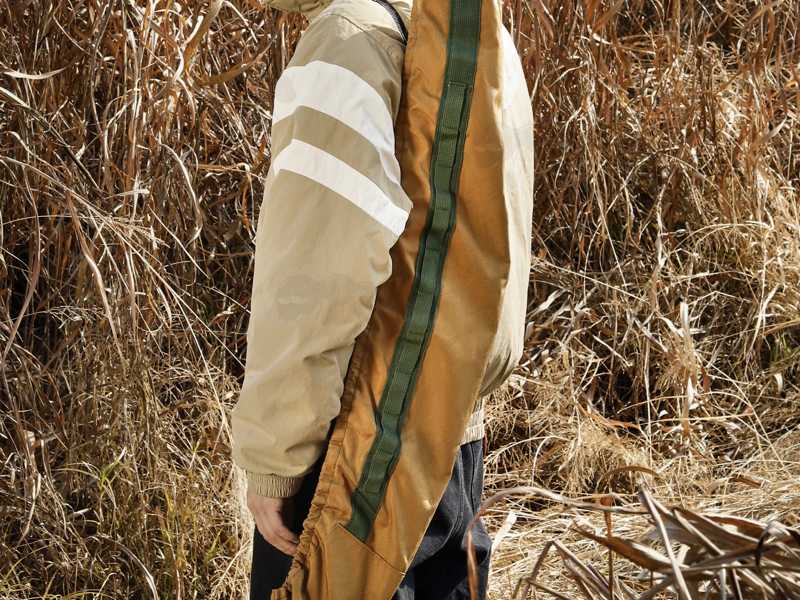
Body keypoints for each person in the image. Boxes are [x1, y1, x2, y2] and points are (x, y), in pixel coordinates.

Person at [231, 0, 533, 597]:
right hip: (453, 447)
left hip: (356, 462)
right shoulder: (474, 36)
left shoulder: (348, 40)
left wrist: (277, 456)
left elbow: (317, 272)